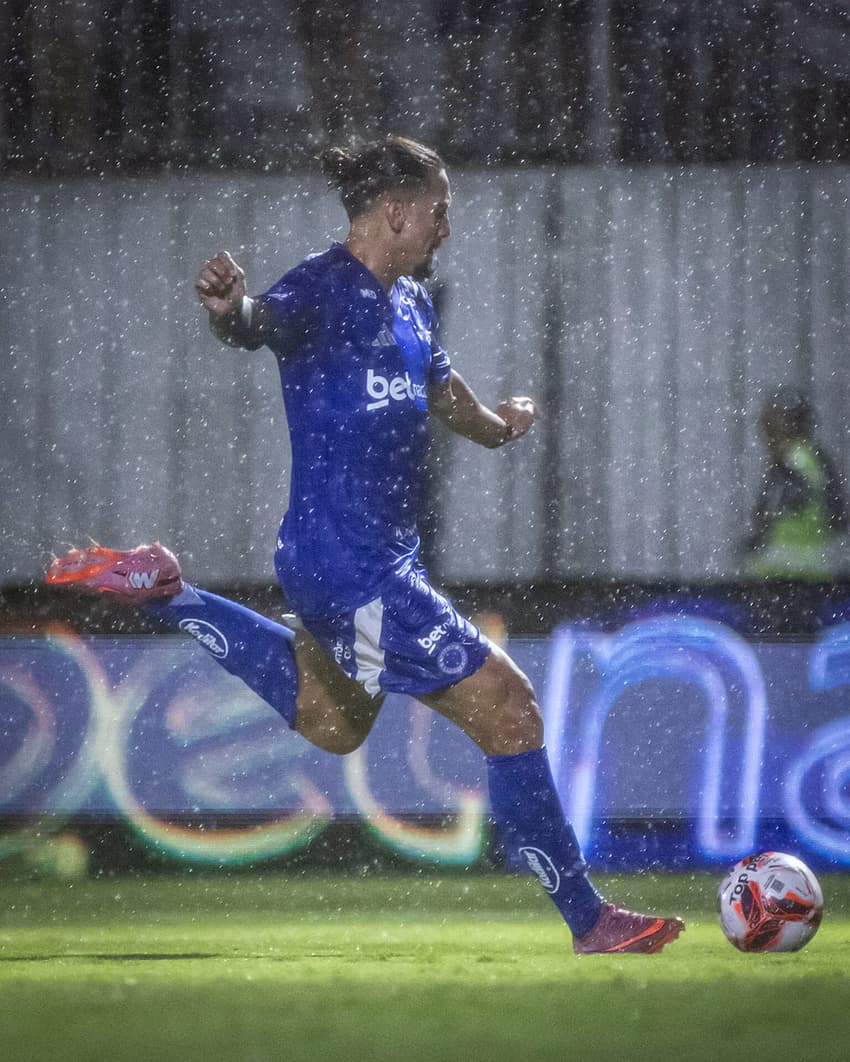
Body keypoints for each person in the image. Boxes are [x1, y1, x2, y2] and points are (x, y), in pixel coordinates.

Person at [47, 136, 683, 955]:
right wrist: (229, 312)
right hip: (351, 569)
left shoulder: (413, 304)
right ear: (395, 213)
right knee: (510, 705)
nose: (447, 226)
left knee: (334, 721)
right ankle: (590, 920)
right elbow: (256, 325)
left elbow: (444, 392)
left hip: (364, 564)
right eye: (439, 210)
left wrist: (500, 428)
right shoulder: (321, 285)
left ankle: (171, 592)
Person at [742, 387, 848, 580]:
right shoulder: (812, 459)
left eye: (769, 423)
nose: (764, 434)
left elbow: (778, 509)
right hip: (799, 575)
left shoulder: (796, 459)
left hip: (789, 577)